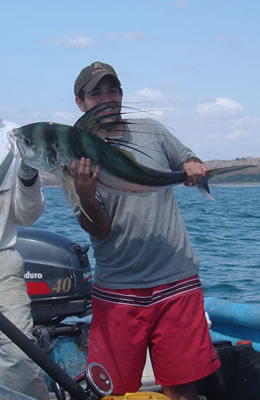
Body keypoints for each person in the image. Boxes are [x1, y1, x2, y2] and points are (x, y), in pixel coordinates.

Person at [65, 61, 221, 400]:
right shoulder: (74, 159)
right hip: (118, 292)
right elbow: (100, 230)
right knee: (116, 394)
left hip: (176, 281)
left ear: (122, 94)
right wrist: (88, 197)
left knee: (182, 391)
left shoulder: (153, 131)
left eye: (113, 90)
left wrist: (193, 164)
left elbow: (186, 159)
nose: (107, 98)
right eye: (96, 93)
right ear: (80, 103)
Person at [0, 121, 49, 399]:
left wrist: (29, 175)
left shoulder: (18, 138)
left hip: (2, 264)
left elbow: (27, 216)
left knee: (17, 356)